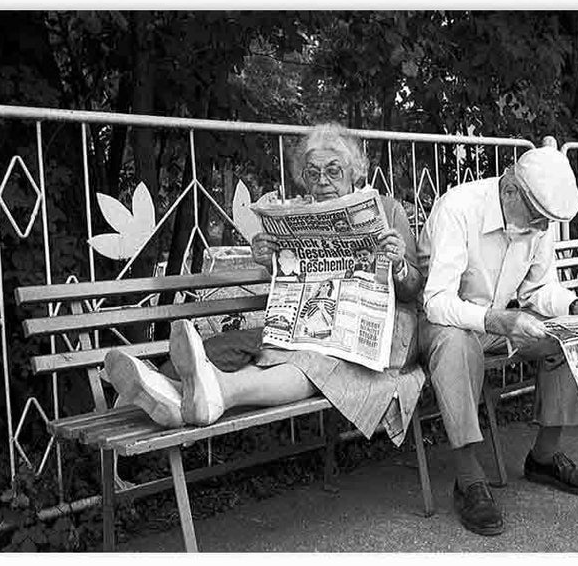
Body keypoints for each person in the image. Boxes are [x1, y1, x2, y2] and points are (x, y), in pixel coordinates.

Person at [104, 123, 425, 447]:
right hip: (309, 329)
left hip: (374, 334)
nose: (323, 181)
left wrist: (397, 263)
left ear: (354, 171)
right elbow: (295, 283)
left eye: (333, 171)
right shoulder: (300, 215)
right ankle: (174, 403)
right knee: (220, 351)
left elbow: (413, 289)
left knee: (310, 361)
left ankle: (216, 393)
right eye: (313, 173)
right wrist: (269, 261)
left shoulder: (386, 210)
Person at [417, 136, 578, 536]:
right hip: (444, 321)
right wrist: (498, 320)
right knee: (457, 344)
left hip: (500, 320)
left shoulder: (536, 220)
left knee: (571, 337)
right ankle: (469, 478)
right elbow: (437, 301)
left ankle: (544, 457)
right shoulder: (460, 208)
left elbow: (539, 289)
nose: (543, 229)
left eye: (548, 222)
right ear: (510, 189)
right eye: (538, 218)